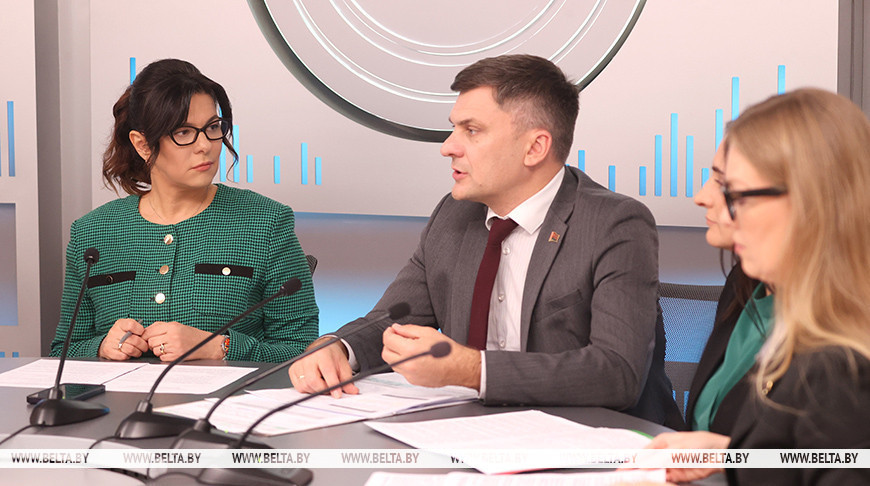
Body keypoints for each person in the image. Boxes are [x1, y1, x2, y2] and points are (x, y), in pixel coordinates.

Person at [288, 54, 682, 428]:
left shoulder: (614, 223)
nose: (448, 147)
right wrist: (338, 347)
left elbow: (616, 373)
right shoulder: (453, 215)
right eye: (454, 128)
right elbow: (391, 323)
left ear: (535, 148)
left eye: (471, 130)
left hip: (598, 443)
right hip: (471, 437)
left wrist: (472, 370)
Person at [648, 88, 870, 485]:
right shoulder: (768, 299)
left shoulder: (842, 368)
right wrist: (731, 455)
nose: (710, 202)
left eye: (737, 196)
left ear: (809, 202)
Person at [50, 59, 319, 363]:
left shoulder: (266, 222)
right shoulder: (91, 232)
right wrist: (101, 347)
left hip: (229, 396)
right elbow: (62, 352)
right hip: (119, 396)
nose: (205, 145)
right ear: (142, 144)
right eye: (183, 132)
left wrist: (219, 346)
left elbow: (303, 350)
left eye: (213, 128)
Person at [685, 141, 761, 434]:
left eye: (725, 185)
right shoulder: (743, 281)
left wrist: (731, 455)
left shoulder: (843, 335)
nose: (701, 197)